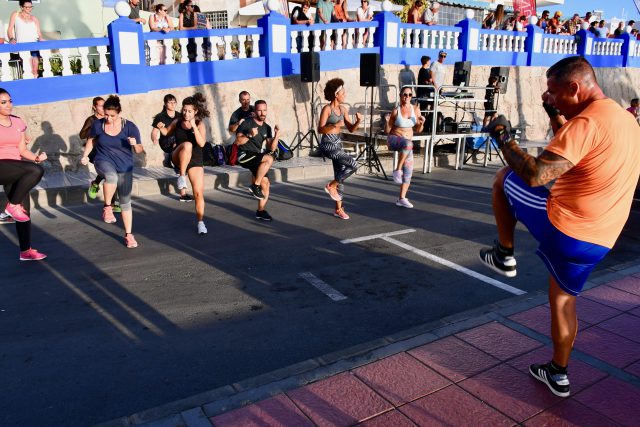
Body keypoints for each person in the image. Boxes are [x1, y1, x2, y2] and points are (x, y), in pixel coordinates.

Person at [479, 56, 640, 398]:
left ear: (575, 87)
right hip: (600, 241)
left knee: (504, 178)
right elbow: (574, 148)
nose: (549, 98)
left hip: (565, 227)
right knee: (563, 301)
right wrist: (555, 115)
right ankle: (558, 373)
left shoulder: (588, 124)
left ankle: (504, 253)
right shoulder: (625, 121)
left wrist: (503, 137)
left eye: (553, 93)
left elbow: (537, 173)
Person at [81, 95, 144, 248]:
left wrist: (135, 144)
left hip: (125, 166)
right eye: (106, 114)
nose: (108, 118)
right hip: (103, 159)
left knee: (125, 203)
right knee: (111, 176)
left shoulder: (130, 127)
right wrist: (84, 156)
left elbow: (140, 149)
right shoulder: (98, 124)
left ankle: (129, 235)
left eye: (112, 116)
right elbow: (91, 140)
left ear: (119, 113)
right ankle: (107, 207)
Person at [0, 88, 47, 260]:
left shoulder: (18, 122)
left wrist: (36, 157)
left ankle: (25, 251)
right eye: (3, 102)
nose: (9, 105)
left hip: (16, 169)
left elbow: (22, 150)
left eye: (10, 101)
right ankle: (10, 206)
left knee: (23, 211)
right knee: (35, 171)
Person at [156, 93, 209, 234]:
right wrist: (161, 128)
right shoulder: (177, 122)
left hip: (195, 159)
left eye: (189, 111)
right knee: (187, 145)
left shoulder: (200, 124)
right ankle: (181, 176)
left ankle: (200, 222)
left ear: (195, 111)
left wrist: (194, 127)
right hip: (178, 155)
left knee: (198, 193)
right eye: (184, 110)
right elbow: (167, 133)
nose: (185, 113)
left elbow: (202, 143)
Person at [318, 78, 362, 220]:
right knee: (353, 164)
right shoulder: (327, 109)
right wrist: (335, 125)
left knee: (341, 174)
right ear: (336, 94)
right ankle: (331, 185)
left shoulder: (343, 109)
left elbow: (351, 129)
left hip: (337, 143)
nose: (345, 94)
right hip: (327, 144)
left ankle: (339, 209)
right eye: (343, 92)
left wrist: (358, 121)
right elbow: (320, 129)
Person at [236, 100, 280, 221]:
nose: (262, 113)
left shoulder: (267, 128)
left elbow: (272, 147)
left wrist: (277, 135)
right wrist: (250, 135)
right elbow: (238, 142)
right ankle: (255, 185)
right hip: (244, 155)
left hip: (256, 157)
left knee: (266, 184)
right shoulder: (247, 123)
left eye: (264, 110)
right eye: (259, 110)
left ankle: (260, 211)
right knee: (269, 158)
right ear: (255, 111)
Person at [384, 87, 425, 208]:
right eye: (405, 94)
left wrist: (421, 123)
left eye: (410, 95)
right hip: (394, 140)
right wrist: (386, 122)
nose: (407, 97)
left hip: (407, 145)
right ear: (400, 95)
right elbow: (387, 130)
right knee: (408, 144)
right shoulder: (396, 111)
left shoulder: (415, 109)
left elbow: (418, 130)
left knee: (408, 172)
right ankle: (397, 170)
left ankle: (401, 198)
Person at [80, 96, 122, 213]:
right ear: (94, 107)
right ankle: (109, 203)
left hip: (107, 149)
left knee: (111, 174)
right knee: (110, 173)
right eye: (100, 106)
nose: (103, 108)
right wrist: (95, 129)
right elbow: (82, 135)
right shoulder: (91, 120)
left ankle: (97, 184)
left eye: (104, 105)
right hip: (94, 151)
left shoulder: (108, 118)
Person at [7, 0, 45, 79]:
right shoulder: (15, 14)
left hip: (33, 45)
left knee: (34, 71)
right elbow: (10, 29)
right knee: (26, 69)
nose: (29, 9)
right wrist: (11, 38)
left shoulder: (34, 18)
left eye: (31, 7)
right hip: (22, 46)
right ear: (21, 7)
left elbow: (39, 33)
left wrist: (41, 39)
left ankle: (35, 82)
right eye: (27, 7)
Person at [151, 94, 181, 169]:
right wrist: (154, 139)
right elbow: (154, 132)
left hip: (177, 140)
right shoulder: (160, 117)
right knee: (176, 142)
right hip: (165, 141)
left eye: (174, 102)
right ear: (165, 104)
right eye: (170, 102)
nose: (173, 104)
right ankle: (172, 160)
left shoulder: (179, 116)